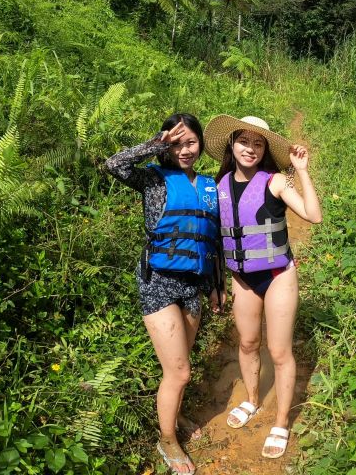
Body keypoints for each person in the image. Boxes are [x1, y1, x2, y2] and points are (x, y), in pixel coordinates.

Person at [102, 113, 222, 475]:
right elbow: (114, 164)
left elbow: (211, 240)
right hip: (159, 281)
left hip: (193, 284)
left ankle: (177, 413)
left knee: (180, 363)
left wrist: (217, 287)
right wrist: (156, 142)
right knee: (180, 371)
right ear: (167, 145)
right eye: (177, 143)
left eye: (191, 142)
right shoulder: (153, 179)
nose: (185, 150)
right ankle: (167, 440)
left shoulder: (208, 185)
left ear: (201, 144)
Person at [202, 114, 322, 459]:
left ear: (265, 149)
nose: (250, 149)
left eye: (258, 143)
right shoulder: (218, 185)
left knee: (279, 351)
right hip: (242, 277)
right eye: (244, 141)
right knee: (249, 341)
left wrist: (300, 170)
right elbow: (215, 239)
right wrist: (216, 282)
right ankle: (253, 400)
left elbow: (313, 216)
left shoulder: (275, 182)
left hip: (278, 276)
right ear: (231, 144)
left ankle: (282, 421)